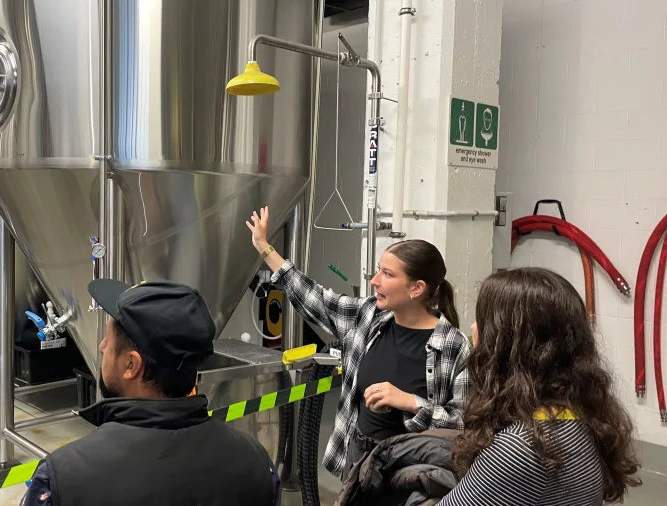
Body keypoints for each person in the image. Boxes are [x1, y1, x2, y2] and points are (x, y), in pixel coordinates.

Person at [246, 206, 471, 479]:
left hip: (411, 471)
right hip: (358, 460)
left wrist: (411, 403)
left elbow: (463, 423)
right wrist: (264, 248)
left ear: (416, 288)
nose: (375, 281)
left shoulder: (453, 346)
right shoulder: (369, 316)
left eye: (387, 274)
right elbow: (316, 298)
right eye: (378, 270)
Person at [21, 279, 281, 506]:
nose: (101, 347)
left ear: (131, 365)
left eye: (108, 341)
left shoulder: (62, 479)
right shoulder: (258, 464)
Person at [439, 268, 641, 506]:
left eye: (483, 322)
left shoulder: (520, 448)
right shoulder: (582, 418)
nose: (474, 328)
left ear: (506, 344)